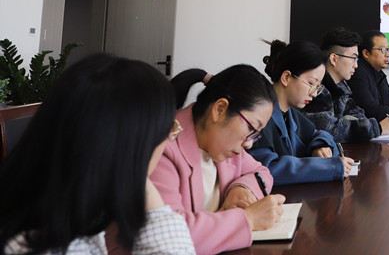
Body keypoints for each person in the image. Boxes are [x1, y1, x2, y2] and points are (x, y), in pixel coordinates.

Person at [0, 53, 195, 255]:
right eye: (167, 129)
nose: (169, 139)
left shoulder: (62, 212)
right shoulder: (53, 245)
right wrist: (136, 175)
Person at [151, 65, 286, 255]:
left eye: (256, 134)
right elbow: (169, 236)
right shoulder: (162, 147)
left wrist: (242, 188)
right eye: (251, 129)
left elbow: (261, 172)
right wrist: (247, 219)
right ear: (220, 109)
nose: (249, 144)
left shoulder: (221, 144)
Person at [248, 39, 355, 184]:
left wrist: (320, 145)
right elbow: (266, 170)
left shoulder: (291, 114)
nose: (314, 93)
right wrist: (327, 167)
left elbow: (319, 134)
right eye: (311, 83)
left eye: (318, 86)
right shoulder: (257, 116)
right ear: (286, 78)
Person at [301, 27, 389, 142]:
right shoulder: (316, 88)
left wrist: (351, 123)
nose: (356, 65)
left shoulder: (341, 85)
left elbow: (356, 113)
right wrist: (378, 127)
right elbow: (329, 130)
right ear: (334, 59)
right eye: (353, 58)